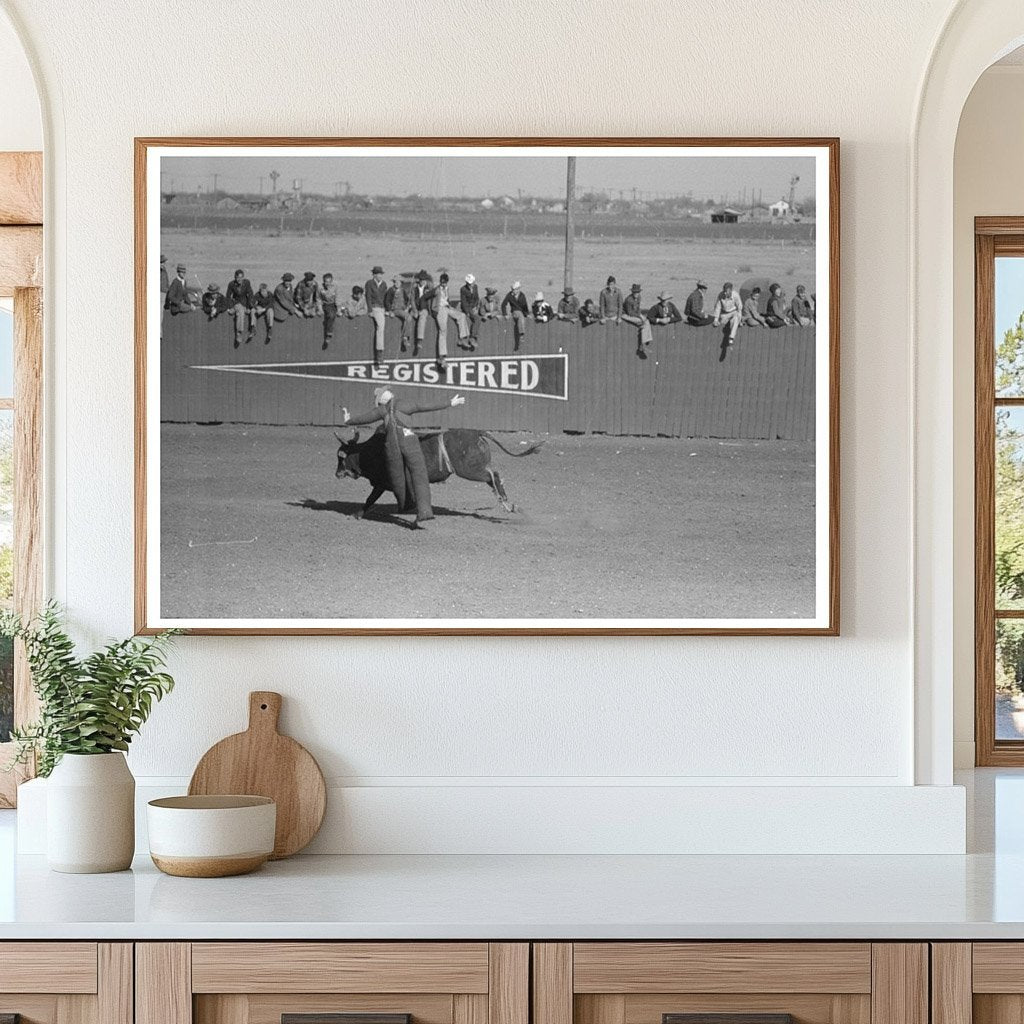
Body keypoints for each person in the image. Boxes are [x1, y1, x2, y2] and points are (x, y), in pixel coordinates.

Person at [341, 387, 467, 530]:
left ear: (381, 401)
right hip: (409, 441)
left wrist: (348, 420)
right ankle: (424, 512)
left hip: (392, 448)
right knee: (419, 474)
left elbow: (363, 418)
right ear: (390, 395)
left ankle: (406, 504)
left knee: (397, 476)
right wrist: (450, 403)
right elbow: (424, 406)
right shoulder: (404, 404)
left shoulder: (382, 410)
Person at [428, 272, 469, 367]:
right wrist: (432, 310)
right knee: (443, 331)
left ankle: (462, 338)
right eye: (442, 282)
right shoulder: (436, 290)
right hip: (440, 309)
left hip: (447, 307)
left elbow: (446, 299)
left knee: (461, 316)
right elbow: (425, 298)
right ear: (440, 282)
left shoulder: (447, 288)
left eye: (445, 282)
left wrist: (450, 306)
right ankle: (441, 357)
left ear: (447, 282)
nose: (443, 284)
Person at [365, 265, 389, 365]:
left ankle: (380, 353)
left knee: (381, 327)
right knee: (381, 327)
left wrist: (387, 309)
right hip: (375, 307)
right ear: (374, 275)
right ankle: (380, 353)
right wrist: (370, 310)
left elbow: (385, 298)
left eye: (381, 274)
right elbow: (368, 297)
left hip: (382, 308)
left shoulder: (384, 284)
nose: (379, 276)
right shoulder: (369, 283)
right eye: (378, 274)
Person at [225, 268, 255, 346]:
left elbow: (250, 294)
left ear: (243, 277)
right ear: (235, 277)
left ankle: (252, 330)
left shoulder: (247, 283)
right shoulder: (231, 284)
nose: (239, 279)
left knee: (252, 311)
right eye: (237, 277)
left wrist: (249, 306)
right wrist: (230, 307)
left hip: (245, 303)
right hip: (236, 303)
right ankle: (239, 333)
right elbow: (228, 296)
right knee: (240, 310)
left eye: (241, 277)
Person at [385, 276, 415, 351]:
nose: (396, 283)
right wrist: (390, 311)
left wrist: (407, 307)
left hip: (402, 309)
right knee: (408, 318)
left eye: (398, 282)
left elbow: (407, 300)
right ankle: (405, 337)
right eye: (395, 282)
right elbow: (387, 301)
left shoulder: (403, 290)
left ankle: (406, 337)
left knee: (408, 318)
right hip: (395, 309)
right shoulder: (391, 290)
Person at [622, 283, 653, 354]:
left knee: (646, 321)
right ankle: (643, 345)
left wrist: (640, 315)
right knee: (643, 322)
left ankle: (645, 342)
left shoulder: (639, 297)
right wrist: (640, 316)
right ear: (632, 292)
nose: (636, 293)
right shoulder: (628, 300)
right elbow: (630, 313)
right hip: (625, 315)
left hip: (634, 313)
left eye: (638, 292)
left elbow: (638, 308)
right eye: (635, 292)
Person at [502, 281, 529, 349]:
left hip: (521, 313)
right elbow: (503, 305)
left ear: (518, 289)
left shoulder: (522, 295)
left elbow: (525, 306)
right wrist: (505, 314)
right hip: (514, 311)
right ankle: (521, 334)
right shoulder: (510, 295)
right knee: (519, 315)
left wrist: (526, 314)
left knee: (521, 315)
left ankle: (521, 336)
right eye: (512, 289)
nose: (513, 291)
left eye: (514, 289)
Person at [412, 270, 433, 356]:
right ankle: (406, 338)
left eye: (424, 279)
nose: (422, 281)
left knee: (423, 317)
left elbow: (431, 300)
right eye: (421, 279)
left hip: (424, 308)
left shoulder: (429, 288)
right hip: (416, 308)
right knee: (409, 318)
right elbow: (412, 301)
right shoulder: (414, 288)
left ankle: (419, 339)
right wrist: (414, 310)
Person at [459, 273, 481, 350]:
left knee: (478, 318)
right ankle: (472, 337)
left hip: (473, 307)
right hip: (467, 308)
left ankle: (472, 337)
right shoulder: (463, 289)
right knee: (477, 318)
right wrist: (468, 312)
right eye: (469, 283)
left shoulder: (475, 287)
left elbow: (477, 298)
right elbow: (464, 302)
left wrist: (475, 307)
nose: (471, 285)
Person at [320, 272, 339, 348]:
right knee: (331, 315)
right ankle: (329, 333)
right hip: (325, 304)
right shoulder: (320, 288)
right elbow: (318, 299)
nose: (327, 283)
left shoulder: (335, 287)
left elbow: (337, 298)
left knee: (334, 314)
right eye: (325, 281)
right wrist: (320, 309)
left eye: (329, 282)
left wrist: (339, 308)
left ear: (331, 281)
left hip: (333, 304)